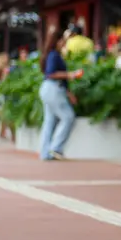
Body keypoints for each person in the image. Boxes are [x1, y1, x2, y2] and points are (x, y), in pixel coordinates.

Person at [38, 26, 82, 161]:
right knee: (68, 117)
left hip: (48, 89)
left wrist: (69, 93)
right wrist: (71, 75)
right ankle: (56, 148)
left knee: (49, 121)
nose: (64, 43)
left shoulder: (50, 54)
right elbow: (51, 73)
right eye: (62, 40)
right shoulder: (54, 55)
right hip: (53, 89)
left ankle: (45, 152)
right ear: (57, 41)